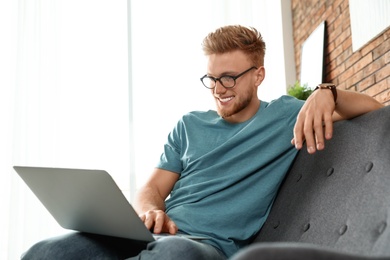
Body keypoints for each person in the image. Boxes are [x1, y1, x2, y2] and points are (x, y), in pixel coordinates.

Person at [21, 25, 384, 260]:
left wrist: (328, 92)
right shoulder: (188, 125)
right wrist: (151, 210)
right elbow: (151, 188)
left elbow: (374, 108)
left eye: (228, 78)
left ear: (258, 75)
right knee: (49, 251)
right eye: (211, 79)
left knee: (174, 256)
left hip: (203, 247)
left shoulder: (285, 115)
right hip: (151, 234)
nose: (219, 90)